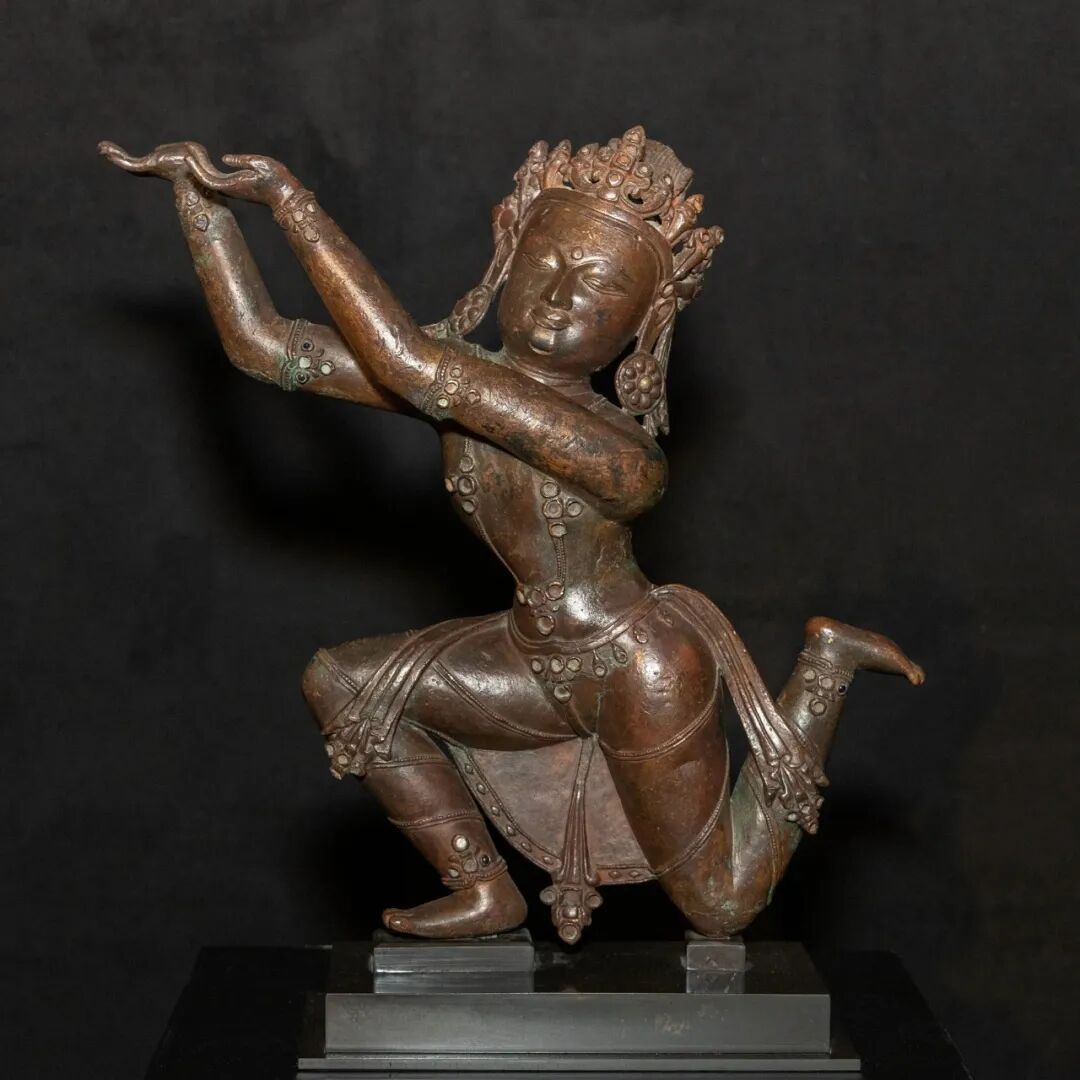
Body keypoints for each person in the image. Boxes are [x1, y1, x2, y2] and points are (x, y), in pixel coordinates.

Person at [100, 127, 923, 942]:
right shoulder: (462, 382)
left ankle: (827, 664)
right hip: (528, 654)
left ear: (644, 323)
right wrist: (200, 203)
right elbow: (265, 347)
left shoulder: (622, 455)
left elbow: (412, 365)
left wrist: (292, 204)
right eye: (546, 262)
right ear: (507, 260)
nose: (559, 295)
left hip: (639, 668)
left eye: (600, 284)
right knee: (343, 682)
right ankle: (485, 889)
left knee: (720, 906)